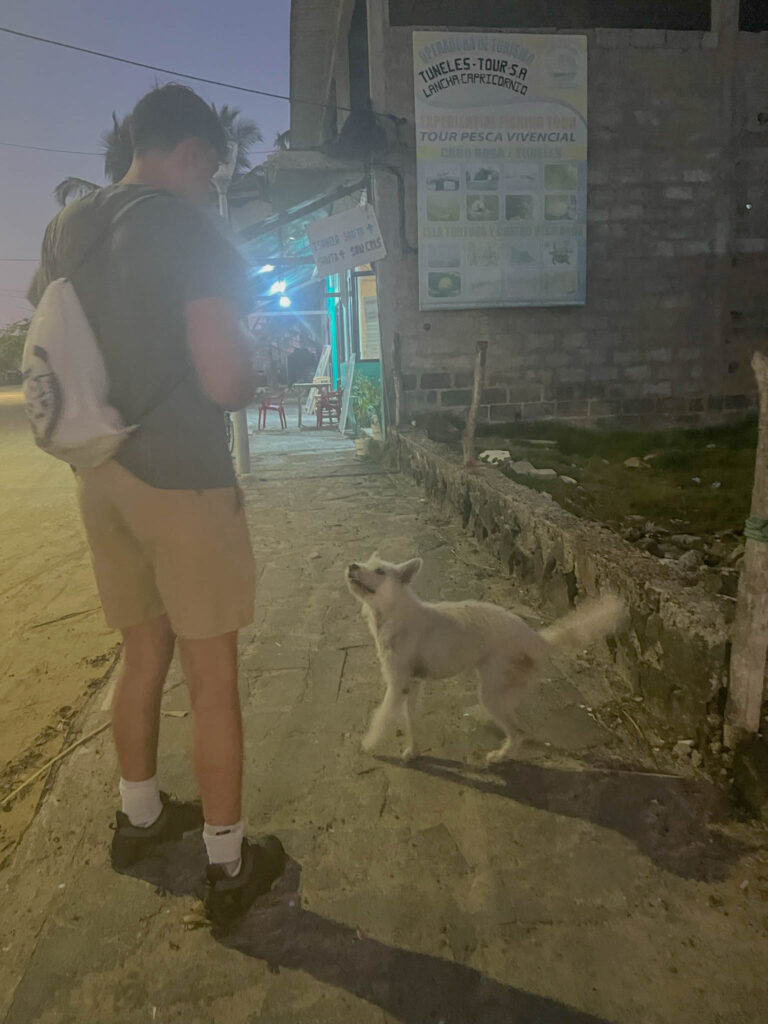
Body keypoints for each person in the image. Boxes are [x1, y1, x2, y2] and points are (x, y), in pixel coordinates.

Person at [28, 84, 285, 924]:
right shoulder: (182, 227)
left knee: (142, 653)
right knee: (213, 679)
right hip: (181, 475)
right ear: (190, 154)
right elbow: (220, 378)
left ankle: (139, 821)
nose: (210, 187)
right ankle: (228, 864)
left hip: (101, 472)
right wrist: (264, 372)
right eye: (209, 172)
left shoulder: (69, 227)